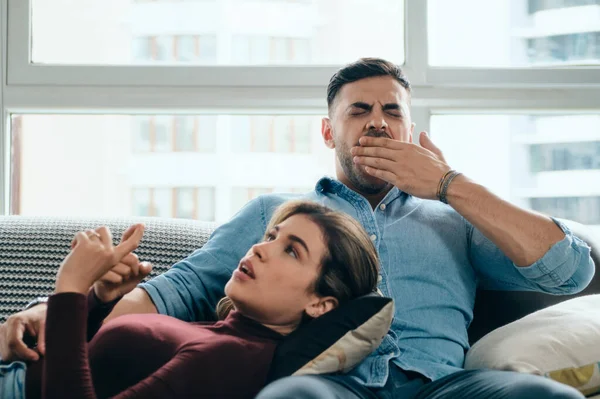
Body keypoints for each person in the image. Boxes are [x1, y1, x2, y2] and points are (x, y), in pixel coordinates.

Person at [0, 57, 595, 399]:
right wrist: (52, 317)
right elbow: (176, 290)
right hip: (330, 384)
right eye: (359, 110)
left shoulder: (454, 217)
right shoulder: (274, 215)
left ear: (412, 131)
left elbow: (570, 271)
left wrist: (449, 184)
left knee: (543, 398)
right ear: (328, 132)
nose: (379, 124)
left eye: (393, 112)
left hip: (443, 387)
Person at [4, 201, 380, 398]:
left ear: (321, 304)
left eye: (292, 251)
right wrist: (98, 299)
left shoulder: (232, 358)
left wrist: (69, 287)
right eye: (270, 236)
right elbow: (95, 367)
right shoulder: (228, 333)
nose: (260, 249)